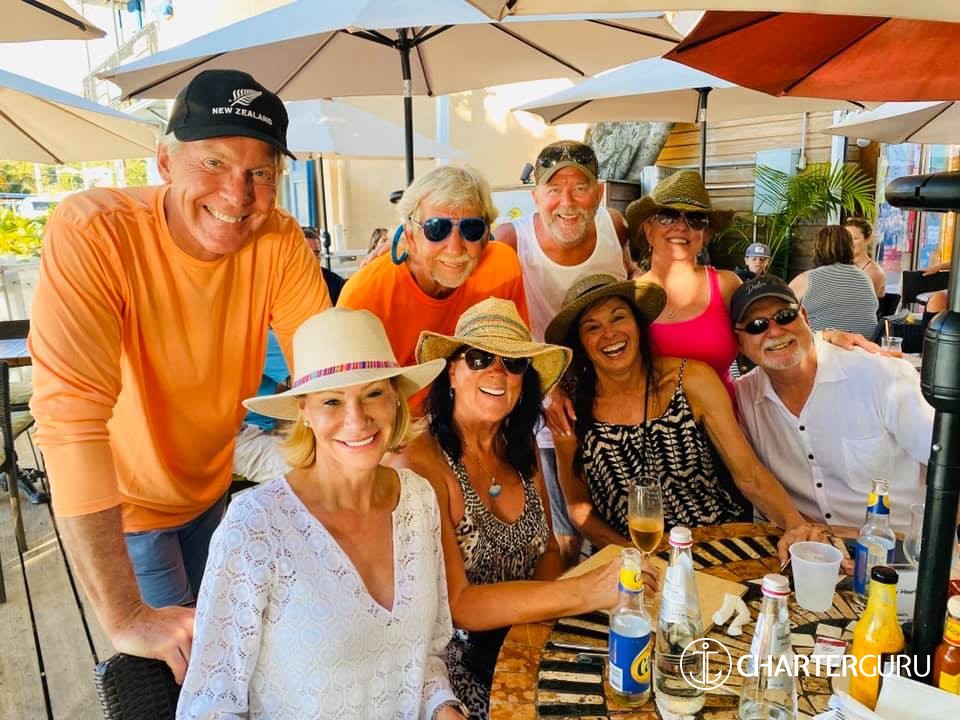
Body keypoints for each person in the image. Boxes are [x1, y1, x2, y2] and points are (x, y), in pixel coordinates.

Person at [28, 69, 332, 681]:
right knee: (189, 672)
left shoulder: (277, 237)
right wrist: (123, 615)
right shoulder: (94, 230)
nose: (238, 194)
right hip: (127, 510)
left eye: (261, 172)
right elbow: (70, 420)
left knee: (228, 649)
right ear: (165, 161)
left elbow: (326, 374)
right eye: (214, 162)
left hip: (211, 489)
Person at [177, 308, 467, 719]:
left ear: (396, 399)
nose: (357, 420)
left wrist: (443, 708)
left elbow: (425, 658)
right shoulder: (255, 526)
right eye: (332, 401)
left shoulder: (418, 501)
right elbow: (210, 706)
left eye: (373, 394)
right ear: (304, 411)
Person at [398, 297, 643, 719]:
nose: (497, 372)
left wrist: (536, 630)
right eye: (479, 358)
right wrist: (580, 592)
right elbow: (460, 604)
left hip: (528, 636)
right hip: (455, 670)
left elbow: (548, 551)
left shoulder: (518, 443)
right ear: (451, 372)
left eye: (513, 363)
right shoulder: (422, 461)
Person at [545, 274, 824, 563]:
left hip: (714, 548)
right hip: (629, 557)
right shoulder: (570, 411)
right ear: (580, 342)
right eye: (592, 327)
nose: (609, 334)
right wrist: (634, 557)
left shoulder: (690, 379)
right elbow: (579, 508)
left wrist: (793, 522)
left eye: (619, 318)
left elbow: (748, 474)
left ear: (638, 325)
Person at [493, 140, 633, 567]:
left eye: (580, 187)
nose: (567, 202)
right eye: (554, 189)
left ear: (600, 193)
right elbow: (496, 326)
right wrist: (546, 389)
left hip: (614, 399)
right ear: (535, 195)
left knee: (625, 511)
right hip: (550, 402)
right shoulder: (511, 240)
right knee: (565, 531)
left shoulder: (615, 227)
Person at [732, 275, 933, 532]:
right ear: (739, 344)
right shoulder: (743, 398)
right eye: (756, 326)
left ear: (804, 316)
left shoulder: (880, 375)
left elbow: (948, 464)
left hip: (900, 547)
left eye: (785, 316)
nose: (775, 331)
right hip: (807, 547)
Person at [338, 164, 528, 375]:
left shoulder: (502, 266)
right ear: (410, 236)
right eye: (436, 229)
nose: (455, 248)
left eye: (471, 228)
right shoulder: (365, 296)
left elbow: (518, 359)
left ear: (485, 235)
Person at [624, 170, 743, 399]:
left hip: (723, 419)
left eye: (695, 219)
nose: (681, 226)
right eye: (668, 216)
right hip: (652, 420)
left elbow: (766, 339)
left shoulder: (727, 285)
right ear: (648, 230)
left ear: (705, 235)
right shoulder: (630, 297)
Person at [789, 225, 879, 338]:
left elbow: (779, 311)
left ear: (818, 248)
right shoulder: (865, 277)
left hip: (824, 346)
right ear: (850, 247)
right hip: (865, 346)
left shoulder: (806, 279)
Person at [844, 217, 886, 298]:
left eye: (855, 238)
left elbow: (861, 302)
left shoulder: (874, 272)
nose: (849, 243)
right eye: (846, 238)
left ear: (867, 239)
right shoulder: (842, 265)